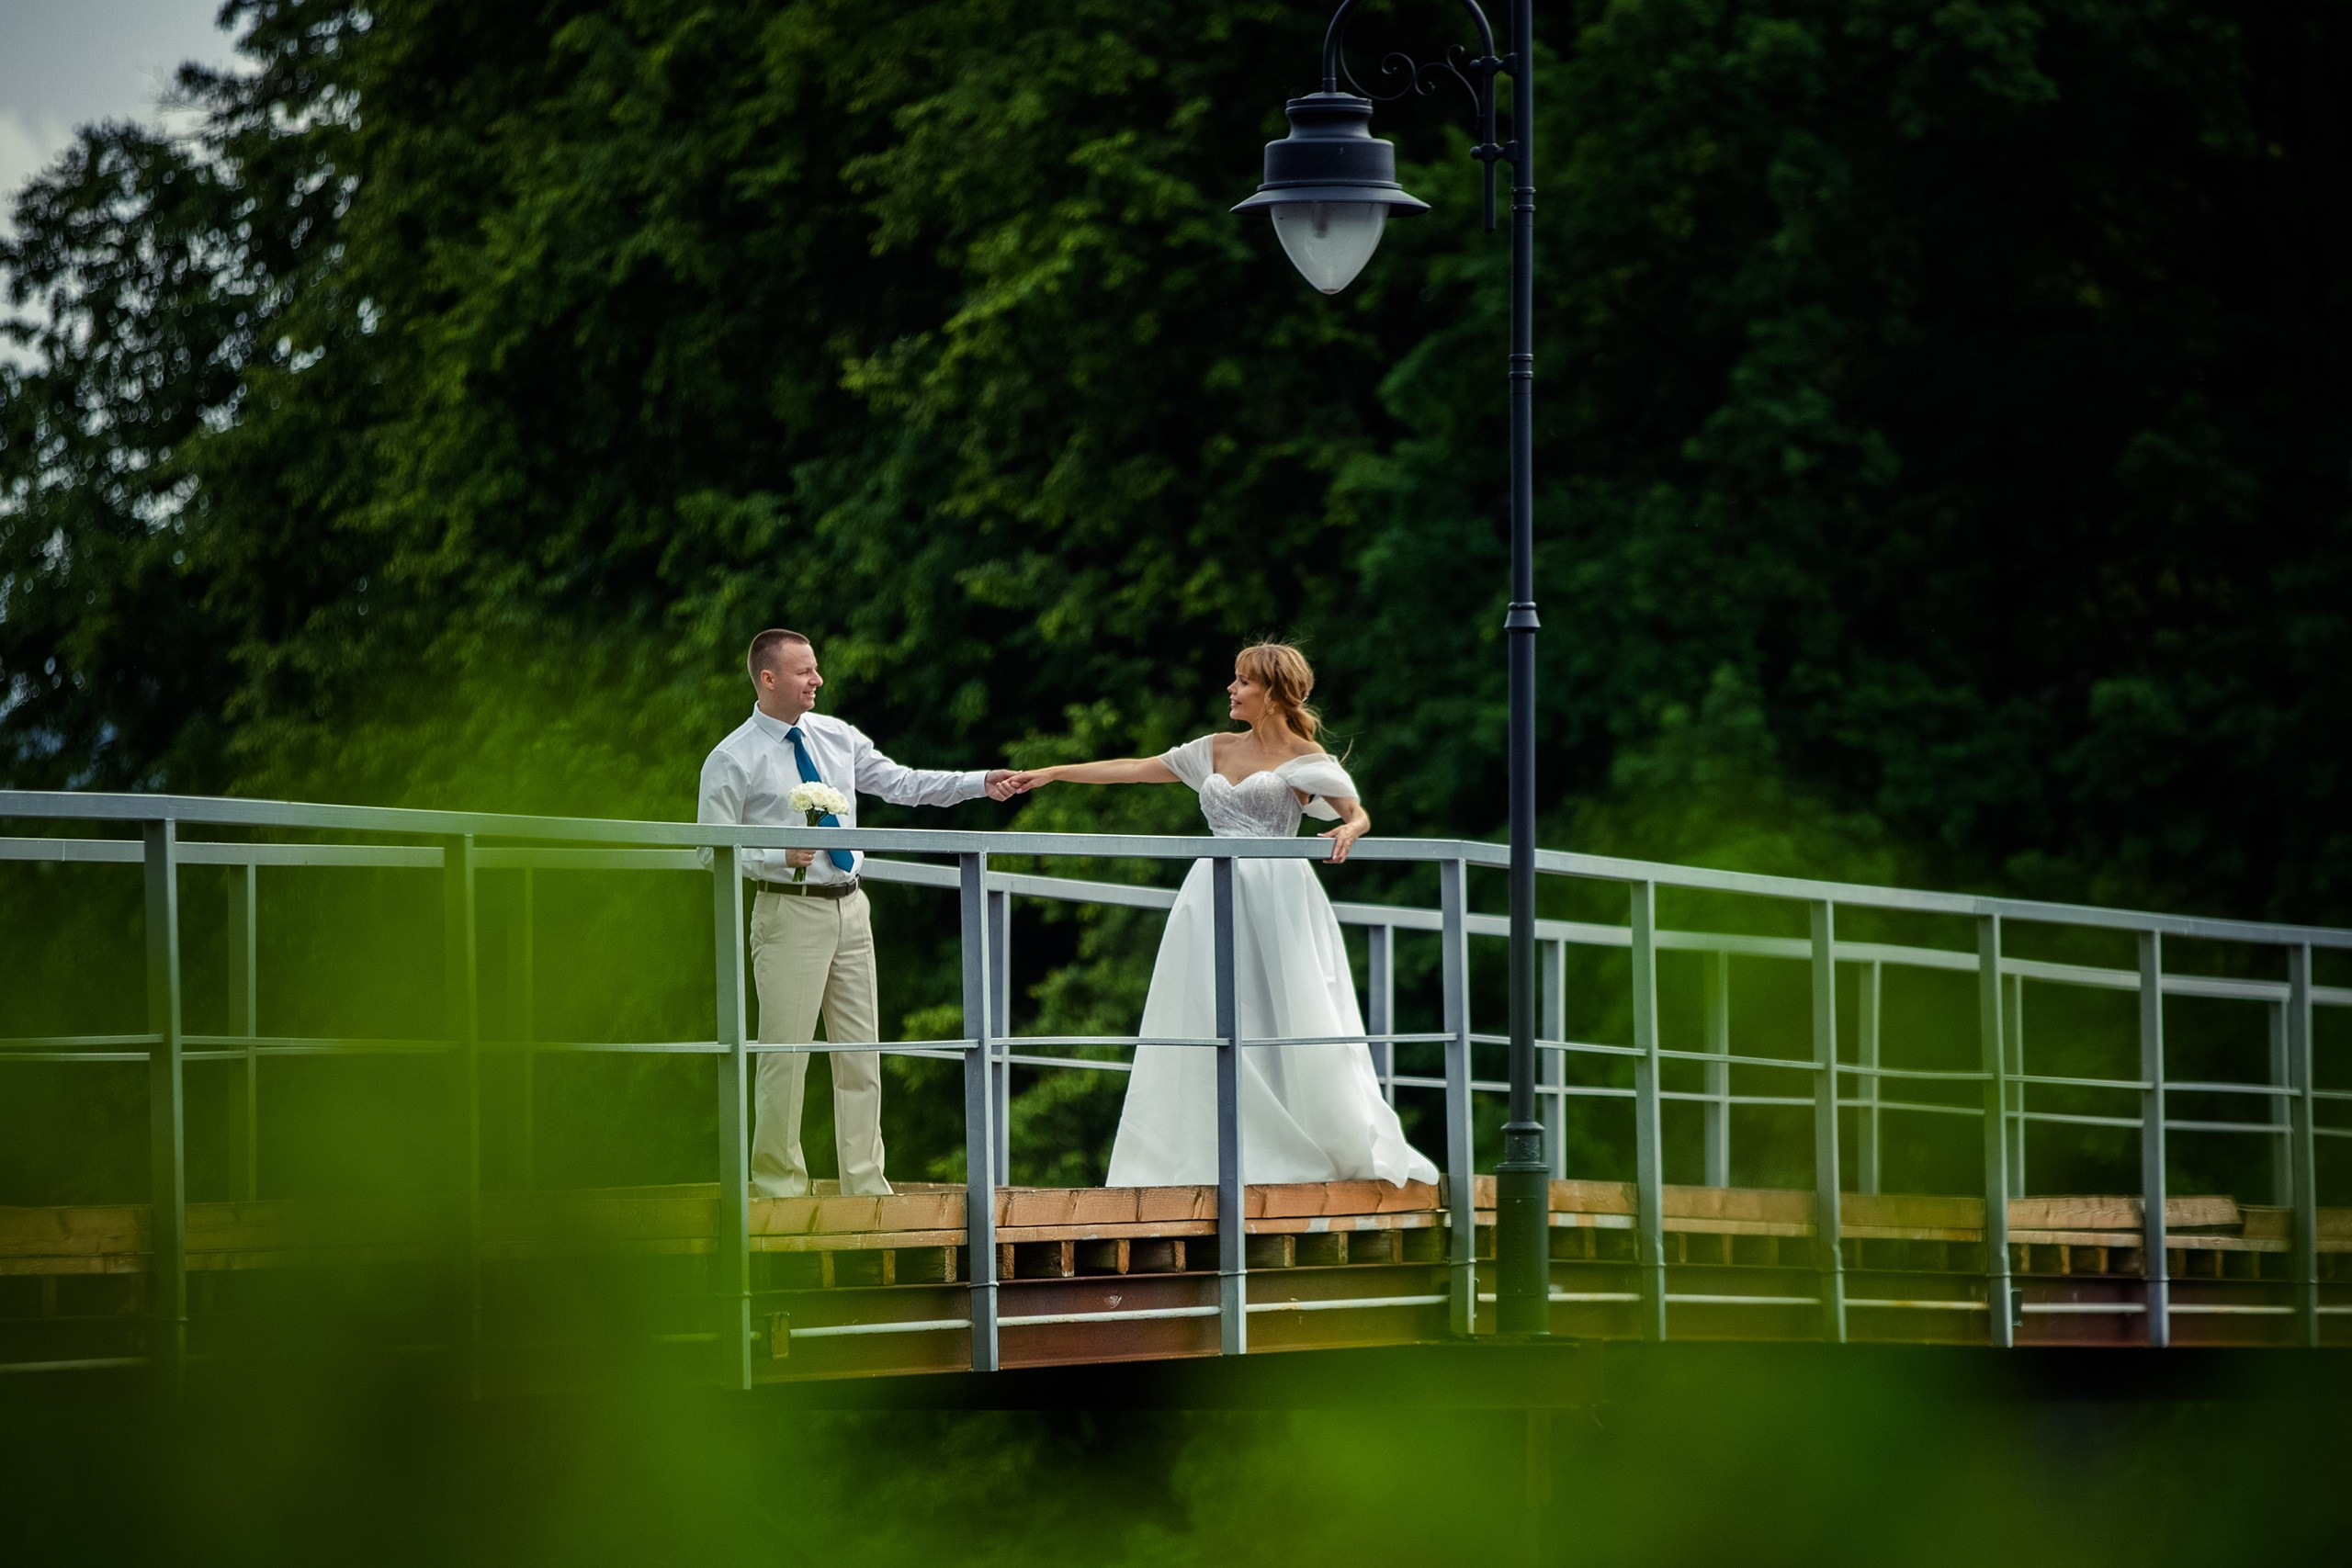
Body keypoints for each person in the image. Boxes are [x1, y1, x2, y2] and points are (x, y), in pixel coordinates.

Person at [1005, 642, 1438, 1188]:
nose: (1231, 690)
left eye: (1243, 682)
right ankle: (1202, 1153)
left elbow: (1357, 813)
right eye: (1234, 680)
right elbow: (1138, 769)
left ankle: (1304, 1140)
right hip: (1210, 891)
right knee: (1206, 1010)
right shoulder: (1215, 748)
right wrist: (1053, 772)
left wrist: (1350, 829)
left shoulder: (1307, 760)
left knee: (1283, 1007)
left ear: (1275, 693)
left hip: (1277, 894)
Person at [700, 628, 1016, 1198]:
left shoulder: (836, 736)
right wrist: (774, 853)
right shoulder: (731, 758)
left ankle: (866, 1187)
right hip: (788, 912)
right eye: (804, 672)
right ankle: (778, 1189)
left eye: (815, 669)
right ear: (768, 679)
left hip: (851, 906)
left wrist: (978, 783)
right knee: (784, 1058)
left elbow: (903, 784)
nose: (817, 680)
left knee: (861, 1055)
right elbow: (708, 849)